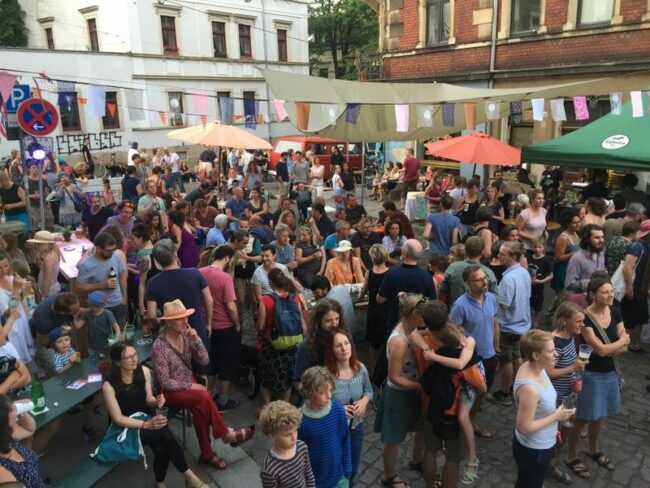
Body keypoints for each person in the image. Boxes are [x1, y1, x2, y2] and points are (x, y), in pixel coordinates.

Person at [152, 300, 254, 469]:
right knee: (203, 396)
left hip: (189, 387)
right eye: (180, 319)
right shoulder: (159, 346)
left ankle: (207, 454)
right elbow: (164, 382)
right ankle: (226, 435)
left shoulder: (186, 336)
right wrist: (192, 386)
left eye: (186, 317)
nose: (185, 322)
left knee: (201, 406)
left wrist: (197, 340)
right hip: (168, 392)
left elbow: (205, 360)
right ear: (168, 322)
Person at [104, 341, 208, 488]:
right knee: (164, 435)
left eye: (135, 354)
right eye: (128, 357)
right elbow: (118, 419)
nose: (134, 359)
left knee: (162, 448)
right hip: (125, 429)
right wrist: (147, 424)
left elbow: (148, 399)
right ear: (117, 362)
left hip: (145, 418)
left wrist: (157, 401)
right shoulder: (109, 385)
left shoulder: (144, 371)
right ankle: (190, 477)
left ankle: (160, 484)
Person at [564, 276, 628, 477]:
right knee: (583, 417)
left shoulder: (615, 312)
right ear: (593, 295)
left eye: (611, 291)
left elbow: (625, 345)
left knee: (599, 415)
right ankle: (571, 456)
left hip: (610, 373)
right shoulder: (585, 318)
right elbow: (599, 350)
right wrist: (619, 343)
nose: (611, 294)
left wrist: (613, 347)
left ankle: (593, 449)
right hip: (591, 375)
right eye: (605, 292)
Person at [512, 329, 575, 488]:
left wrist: (553, 427)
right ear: (536, 355)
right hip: (534, 449)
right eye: (551, 351)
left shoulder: (535, 367)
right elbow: (524, 427)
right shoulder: (529, 389)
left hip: (543, 441)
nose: (556, 354)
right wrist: (556, 417)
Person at [375, 293, 425, 488]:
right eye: (423, 314)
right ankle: (389, 476)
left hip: (412, 390)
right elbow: (394, 376)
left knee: (421, 428)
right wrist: (420, 386)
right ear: (413, 313)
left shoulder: (412, 328)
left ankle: (416, 460)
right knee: (393, 438)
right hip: (399, 393)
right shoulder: (399, 341)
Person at [449, 266, 499, 437]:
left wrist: (496, 348)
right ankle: (463, 422)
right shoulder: (460, 306)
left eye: (484, 278)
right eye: (478, 280)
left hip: (490, 356)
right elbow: (454, 334)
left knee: (482, 393)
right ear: (467, 283)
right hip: (472, 360)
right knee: (469, 394)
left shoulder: (491, 298)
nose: (484, 282)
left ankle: (471, 420)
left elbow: (494, 323)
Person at [324, 330, 372, 487]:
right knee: (335, 468)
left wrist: (364, 402)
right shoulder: (326, 375)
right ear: (331, 350)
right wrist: (338, 409)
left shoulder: (360, 368)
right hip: (334, 431)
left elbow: (369, 391)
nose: (344, 348)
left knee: (353, 467)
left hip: (356, 428)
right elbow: (319, 404)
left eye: (346, 343)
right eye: (338, 345)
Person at [146, 239, 213, 351]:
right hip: (196, 328)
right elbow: (209, 301)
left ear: (157, 261)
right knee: (201, 363)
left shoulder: (152, 282)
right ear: (175, 254)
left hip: (172, 334)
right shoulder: (195, 273)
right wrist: (208, 323)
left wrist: (159, 326)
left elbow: (152, 315)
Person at [548, 302, 587, 483]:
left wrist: (576, 376)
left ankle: (551, 459)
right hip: (554, 399)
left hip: (568, 395)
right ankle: (549, 466)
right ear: (564, 321)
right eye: (578, 321)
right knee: (552, 434)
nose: (581, 325)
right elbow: (547, 373)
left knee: (564, 432)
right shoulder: (554, 343)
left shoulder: (570, 336)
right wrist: (572, 368)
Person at [199, 245, 241, 411]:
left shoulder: (200, 272)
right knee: (226, 365)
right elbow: (230, 306)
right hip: (225, 327)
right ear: (227, 258)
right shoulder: (225, 278)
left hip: (206, 327)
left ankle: (208, 396)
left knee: (210, 363)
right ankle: (222, 401)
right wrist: (237, 323)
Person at [491, 241, 531, 407]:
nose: (498, 256)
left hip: (509, 325)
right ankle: (518, 387)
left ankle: (504, 393)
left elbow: (504, 304)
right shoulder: (524, 272)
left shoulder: (508, 278)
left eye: (502, 254)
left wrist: (491, 298)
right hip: (522, 323)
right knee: (517, 356)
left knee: (506, 360)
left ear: (513, 257)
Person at [298, 366, 352, 488]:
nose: (329, 396)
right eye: (322, 392)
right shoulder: (300, 420)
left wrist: (347, 469)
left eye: (331, 390)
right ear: (309, 392)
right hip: (315, 482)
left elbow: (345, 440)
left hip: (340, 478)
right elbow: (299, 456)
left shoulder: (338, 410)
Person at [258, 268, 305, 405]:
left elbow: (261, 326)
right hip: (292, 342)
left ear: (271, 283)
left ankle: (268, 404)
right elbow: (301, 321)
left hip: (272, 343)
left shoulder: (266, 300)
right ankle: (285, 402)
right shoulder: (294, 298)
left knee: (267, 374)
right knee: (288, 373)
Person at [377, 239, 436, 332]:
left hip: (396, 323)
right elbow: (432, 304)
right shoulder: (427, 277)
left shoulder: (392, 273)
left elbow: (380, 299)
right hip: (419, 326)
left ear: (404, 252)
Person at [75, 232, 128, 327]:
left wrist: (124, 297)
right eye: (108, 251)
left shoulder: (115, 256)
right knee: (102, 336)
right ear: (98, 248)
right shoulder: (86, 265)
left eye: (113, 250)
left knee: (120, 335)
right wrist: (101, 285)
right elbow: (79, 287)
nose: (112, 253)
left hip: (118, 304)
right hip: (99, 308)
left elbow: (122, 275)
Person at [259, 400, 316, 488]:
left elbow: (309, 475)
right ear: (272, 435)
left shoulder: (302, 447)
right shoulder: (269, 469)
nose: (294, 438)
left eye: (295, 431)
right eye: (288, 434)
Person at [294, 298, 347, 383]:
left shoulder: (344, 338)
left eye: (337, 319)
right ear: (318, 322)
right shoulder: (306, 347)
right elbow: (299, 380)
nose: (334, 324)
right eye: (328, 321)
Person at [0, 395, 47, 487]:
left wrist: (23, 410)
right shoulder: (2, 472)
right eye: (10, 408)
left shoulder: (5, 437)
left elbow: (29, 429)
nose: (14, 407)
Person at [358, 244, 390, 371]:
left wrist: (359, 298)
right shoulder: (391, 273)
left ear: (372, 258)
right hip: (387, 311)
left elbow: (364, 290)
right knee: (387, 341)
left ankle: (373, 369)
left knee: (373, 344)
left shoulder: (369, 273)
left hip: (374, 311)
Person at [565, 224, 605, 293]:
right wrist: (590, 282)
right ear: (587, 239)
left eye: (602, 237)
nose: (601, 240)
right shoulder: (577, 259)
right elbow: (569, 285)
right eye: (597, 237)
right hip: (582, 299)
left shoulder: (601, 253)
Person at [551, 208, 582, 294]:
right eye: (574, 223)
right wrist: (575, 254)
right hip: (563, 270)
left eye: (579, 221)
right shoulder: (563, 238)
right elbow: (558, 257)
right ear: (568, 224)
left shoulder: (575, 233)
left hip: (572, 269)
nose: (578, 224)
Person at [26, 231, 61, 300]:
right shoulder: (52, 251)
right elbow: (42, 269)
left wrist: (43, 297)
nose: (35, 246)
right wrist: (39, 258)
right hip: (52, 289)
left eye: (39, 244)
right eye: (35, 243)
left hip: (49, 292)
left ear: (47, 244)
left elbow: (47, 280)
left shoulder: (48, 259)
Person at [528, 238, 553, 328]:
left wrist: (540, 281)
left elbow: (551, 275)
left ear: (543, 248)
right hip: (529, 286)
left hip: (539, 287)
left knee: (538, 306)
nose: (537, 249)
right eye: (535, 247)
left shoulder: (546, 260)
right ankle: (528, 319)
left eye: (539, 247)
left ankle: (536, 320)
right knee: (528, 303)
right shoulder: (529, 258)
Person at [515, 189, 547, 256]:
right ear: (532, 199)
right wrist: (532, 238)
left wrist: (545, 232)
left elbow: (542, 226)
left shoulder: (544, 211)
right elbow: (517, 231)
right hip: (526, 247)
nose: (541, 201)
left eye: (543, 198)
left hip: (538, 247)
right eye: (538, 198)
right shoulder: (525, 213)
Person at [26, 163, 53, 230]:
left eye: (37, 168)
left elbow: (47, 191)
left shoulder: (42, 180)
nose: (36, 169)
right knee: (34, 225)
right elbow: (23, 194)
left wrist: (49, 204)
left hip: (45, 205)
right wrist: (32, 196)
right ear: (29, 169)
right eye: (34, 167)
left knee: (49, 221)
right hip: (33, 207)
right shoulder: (26, 180)